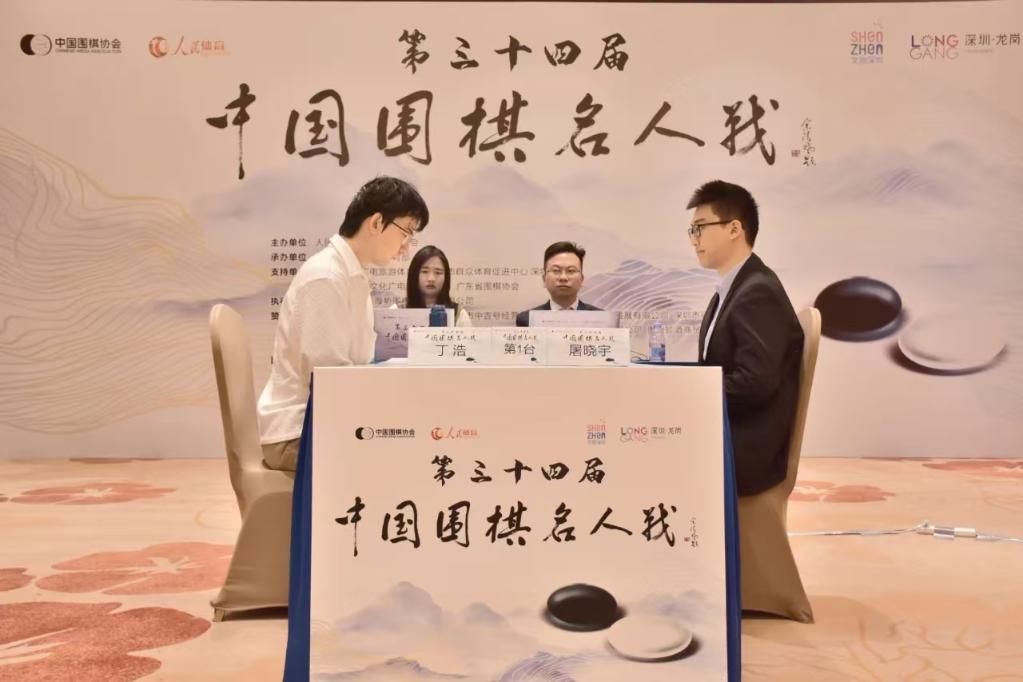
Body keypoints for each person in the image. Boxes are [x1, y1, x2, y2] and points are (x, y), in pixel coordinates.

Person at [257, 176, 429, 471]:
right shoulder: (326, 277)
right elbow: (330, 382)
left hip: (320, 424)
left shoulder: (349, 275)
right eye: (406, 233)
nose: (406, 248)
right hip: (297, 434)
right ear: (377, 223)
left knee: (415, 441)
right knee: (408, 455)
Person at [689, 180, 803, 496]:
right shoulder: (734, 288)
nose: (694, 239)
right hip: (728, 434)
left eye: (700, 227)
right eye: (692, 231)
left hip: (745, 451)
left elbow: (755, 383)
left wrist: (688, 393)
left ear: (734, 229)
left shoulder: (757, 291)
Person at [515, 241, 602, 327]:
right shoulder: (527, 320)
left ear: (582, 280)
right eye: (556, 270)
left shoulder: (600, 319)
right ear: (544, 279)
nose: (563, 277)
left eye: (571, 271)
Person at [405, 245, 472, 327]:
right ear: (414, 274)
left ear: (446, 277)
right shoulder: (397, 312)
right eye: (425, 271)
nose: (431, 278)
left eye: (438, 272)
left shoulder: (459, 315)